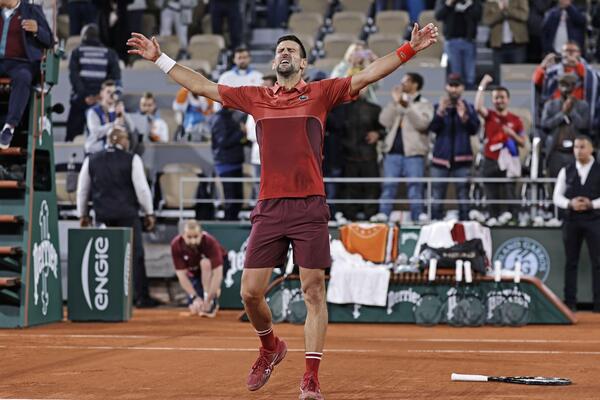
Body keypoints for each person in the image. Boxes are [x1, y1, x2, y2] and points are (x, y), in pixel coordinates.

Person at [127, 23, 438, 399]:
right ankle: (270, 347)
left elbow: (370, 73)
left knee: (313, 292)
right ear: (275, 61)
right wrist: (159, 57)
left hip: (309, 206)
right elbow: (202, 86)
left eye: (292, 50)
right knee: (250, 294)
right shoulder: (255, 97)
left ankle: (310, 376)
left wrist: (410, 49)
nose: (285, 54)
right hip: (269, 207)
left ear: (304, 63)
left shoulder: (322, 93)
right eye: (280, 51)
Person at [77, 127, 159, 308]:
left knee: (104, 257)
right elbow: (142, 190)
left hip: (102, 216)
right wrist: (149, 212)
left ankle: (107, 297)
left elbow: (83, 190)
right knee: (135, 256)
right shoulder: (132, 159)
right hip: (127, 215)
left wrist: (82, 214)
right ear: (122, 140)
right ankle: (141, 298)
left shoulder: (91, 159)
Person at [374, 72, 433, 223]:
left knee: (415, 187)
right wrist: (395, 103)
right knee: (388, 185)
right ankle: (383, 214)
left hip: (414, 153)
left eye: (405, 81)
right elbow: (384, 121)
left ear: (415, 84)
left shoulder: (424, 104)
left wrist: (407, 107)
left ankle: (417, 215)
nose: (401, 84)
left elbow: (423, 124)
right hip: (392, 152)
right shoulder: (397, 101)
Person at [552, 135, 600, 312]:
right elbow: (557, 196)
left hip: (595, 220)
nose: (578, 151)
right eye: (576, 147)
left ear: (591, 149)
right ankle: (569, 302)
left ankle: (598, 303)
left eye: (582, 147)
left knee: (598, 262)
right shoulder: (566, 170)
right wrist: (570, 204)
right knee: (571, 261)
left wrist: (592, 204)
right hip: (571, 220)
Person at [327, 78, 384, 221]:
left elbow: (384, 129)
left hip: (368, 156)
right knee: (349, 188)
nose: (360, 89)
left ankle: (370, 216)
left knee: (371, 187)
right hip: (347, 157)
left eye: (363, 86)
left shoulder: (374, 109)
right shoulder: (340, 109)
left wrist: (378, 134)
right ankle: (349, 216)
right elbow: (333, 129)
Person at [0, 0, 53, 149]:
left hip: (21, 62)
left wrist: (37, 30)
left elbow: (49, 40)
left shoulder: (31, 10)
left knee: (23, 76)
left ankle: (9, 128)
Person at [429, 73, 480, 221]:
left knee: (463, 195)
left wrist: (464, 116)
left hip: (462, 159)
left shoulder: (469, 108)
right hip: (440, 159)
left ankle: (465, 227)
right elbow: (432, 128)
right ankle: (434, 225)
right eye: (451, 85)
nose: (454, 89)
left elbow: (474, 129)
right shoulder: (438, 107)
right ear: (446, 87)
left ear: (462, 88)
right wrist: (440, 113)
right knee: (437, 195)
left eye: (457, 86)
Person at [474, 74, 526, 221]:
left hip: (509, 162)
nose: (499, 100)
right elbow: (478, 107)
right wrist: (483, 84)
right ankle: (492, 220)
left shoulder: (516, 120)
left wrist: (512, 135)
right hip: (491, 159)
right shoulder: (489, 116)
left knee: (510, 192)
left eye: (502, 97)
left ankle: (514, 220)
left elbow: (523, 142)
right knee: (491, 193)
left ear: (508, 99)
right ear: (493, 100)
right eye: (496, 98)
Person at [66, 23, 121, 142]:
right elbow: (114, 79)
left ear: (83, 36)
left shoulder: (76, 52)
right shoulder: (110, 53)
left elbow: (74, 77)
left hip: (81, 100)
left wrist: (85, 96)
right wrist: (98, 97)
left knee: (73, 136)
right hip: (102, 101)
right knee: (103, 136)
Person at [171, 219, 227, 317]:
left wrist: (209, 298)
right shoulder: (176, 245)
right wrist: (194, 297)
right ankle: (203, 297)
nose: (193, 241)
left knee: (205, 263)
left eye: (196, 237)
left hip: (218, 266)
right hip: (195, 272)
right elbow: (181, 275)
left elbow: (217, 274)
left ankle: (210, 298)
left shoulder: (210, 242)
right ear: (183, 235)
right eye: (189, 237)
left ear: (201, 234)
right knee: (195, 307)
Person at [541, 73, 590, 177]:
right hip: (556, 152)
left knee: (576, 185)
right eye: (562, 85)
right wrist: (562, 113)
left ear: (574, 87)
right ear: (558, 87)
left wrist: (571, 111)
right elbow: (545, 125)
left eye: (568, 85)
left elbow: (584, 126)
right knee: (556, 185)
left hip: (575, 153)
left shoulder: (583, 105)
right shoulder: (550, 105)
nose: (565, 89)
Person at [434, 0, 482, 89]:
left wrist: (469, 4)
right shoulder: (444, 1)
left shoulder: (473, 1)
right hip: (452, 40)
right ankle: (456, 93)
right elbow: (438, 16)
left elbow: (478, 16)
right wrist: (448, 4)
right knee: (455, 74)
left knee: (470, 74)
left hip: (469, 40)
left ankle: (470, 94)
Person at [208, 106, 245, 220]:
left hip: (235, 163)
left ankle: (233, 221)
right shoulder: (219, 119)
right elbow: (223, 142)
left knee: (238, 199)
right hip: (226, 164)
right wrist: (241, 133)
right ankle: (229, 223)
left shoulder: (231, 117)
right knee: (231, 200)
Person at [245, 75, 277, 201]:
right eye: (263, 86)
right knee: (259, 186)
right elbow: (250, 133)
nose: (265, 89)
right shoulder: (254, 106)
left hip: (278, 156)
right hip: (258, 156)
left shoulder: (283, 105)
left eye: (268, 86)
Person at [84, 80, 137, 155]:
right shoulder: (94, 112)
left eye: (114, 92)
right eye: (108, 92)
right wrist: (114, 124)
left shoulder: (119, 110)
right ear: (102, 93)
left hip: (115, 151)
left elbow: (132, 129)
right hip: (96, 150)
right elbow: (96, 132)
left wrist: (123, 113)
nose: (111, 95)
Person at [482, 0, 529, 81]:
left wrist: (508, 8)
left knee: (518, 75)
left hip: (517, 44)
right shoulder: (491, 2)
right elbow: (487, 20)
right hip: (498, 45)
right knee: (499, 76)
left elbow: (524, 16)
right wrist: (500, 11)